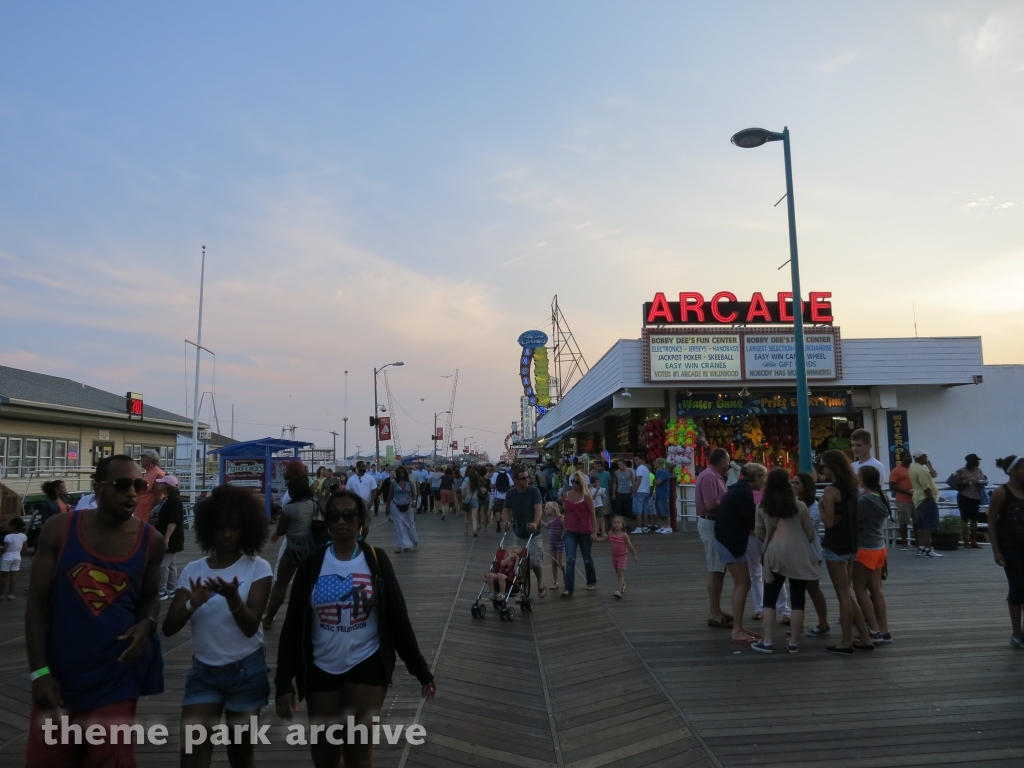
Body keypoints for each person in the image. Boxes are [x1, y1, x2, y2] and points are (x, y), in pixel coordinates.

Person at [275, 490, 436, 768]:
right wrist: (283, 682)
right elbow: (293, 625)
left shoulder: (376, 560)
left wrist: (419, 669)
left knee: (358, 752)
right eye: (334, 516)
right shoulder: (312, 564)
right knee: (324, 755)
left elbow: (397, 617)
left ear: (360, 520)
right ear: (326, 522)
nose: (341, 521)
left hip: (367, 661)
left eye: (349, 515)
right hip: (321, 665)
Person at [24, 454, 164, 767]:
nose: (132, 492)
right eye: (122, 485)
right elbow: (37, 602)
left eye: (138, 484)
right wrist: (40, 672)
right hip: (59, 677)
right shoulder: (60, 530)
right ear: (98, 489)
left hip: (116, 676)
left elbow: (151, 595)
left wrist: (148, 622)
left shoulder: (151, 541)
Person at [162, 485, 273, 768]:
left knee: (240, 756)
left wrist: (233, 596)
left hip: (247, 671)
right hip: (203, 672)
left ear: (245, 529)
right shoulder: (193, 570)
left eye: (234, 528)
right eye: (220, 528)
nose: (226, 534)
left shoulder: (258, 568)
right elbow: (168, 628)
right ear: (207, 528)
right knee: (192, 757)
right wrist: (192, 603)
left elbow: (251, 627)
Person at [750, 468, 818, 654]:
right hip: (799, 557)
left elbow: (760, 534)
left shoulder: (762, 507)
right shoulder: (801, 507)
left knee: (769, 599)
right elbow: (810, 535)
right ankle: (794, 643)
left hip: (774, 557)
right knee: (798, 600)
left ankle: (768, 641)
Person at [818, 449, 874, 655]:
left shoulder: (831, 491)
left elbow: (829, 522)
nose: (821, 469)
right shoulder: (852, 487)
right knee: (848, 595)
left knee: (842, 595)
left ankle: (846, 641)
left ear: (831, 467)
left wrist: (821, 507)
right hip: (851, 545)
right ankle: (865, 637)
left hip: (835, 546)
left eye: (823, 465)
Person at [714, 462, 766, 644]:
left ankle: (739, 625)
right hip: (731, 543)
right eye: (763, 477)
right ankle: (736, 630)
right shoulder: (744, 493)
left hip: (725, 540)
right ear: (757, 478)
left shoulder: (737, 489)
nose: (764, 481)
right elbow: (753, 522)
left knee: (740, 584)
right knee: (743, 584)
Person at [262, 476, 319, 630]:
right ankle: (312, 617)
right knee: (310, 584)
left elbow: (280, 530)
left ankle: (268, 618)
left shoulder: (288, 508)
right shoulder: (313, 504)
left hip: (293, 546)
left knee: (281, 584)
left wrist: (279, 531)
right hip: (309, 546)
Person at [854, 466, 892, 644]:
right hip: (879, 547)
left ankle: (874, 631)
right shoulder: (882, 498)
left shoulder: (864, 501)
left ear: (862, 479)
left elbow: (852, 521)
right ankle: (884, 630)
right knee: (876, 590)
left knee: (859, 589)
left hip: (864, 548)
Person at [989, 455, 1024, 648]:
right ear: (1011, 471)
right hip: (1010, 547)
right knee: (1018, 587)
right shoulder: (1001, 493)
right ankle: (1016, 632)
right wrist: (996, 550)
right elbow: (992, 521)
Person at [696, 449, 733, 628]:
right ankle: (713, 613)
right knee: (715, 569)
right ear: (723, 462)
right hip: (710, 524)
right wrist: (730, 503)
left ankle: (717, 610)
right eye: (728, 461)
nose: (729, 464)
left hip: (714, 524)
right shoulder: (711, 476)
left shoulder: (713, 475)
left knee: (719, 569)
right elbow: (711, 505)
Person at [791, 472, 831, 637]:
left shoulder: (812, 506)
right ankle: (798, 624)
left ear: (805, 486)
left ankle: (823, 624)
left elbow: (807, 527)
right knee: (799, 588)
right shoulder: (795, 503)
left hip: (810, 552)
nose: (793, 486)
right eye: (792, 483)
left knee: (812, 587)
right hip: (796, 551)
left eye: (796, 483)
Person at [500, 467, 547, 598]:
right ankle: (524, 591)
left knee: (536, 562)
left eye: (528, 477)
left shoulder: (534, 491)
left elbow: (538, 509)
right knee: (522, 564)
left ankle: (540, 583)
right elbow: (505, 510)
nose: (527, 480)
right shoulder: (511, 493)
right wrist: (507, 521)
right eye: (523, 478)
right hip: (519, 532)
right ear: (515, 480)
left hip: (533, 533)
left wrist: (535, 523)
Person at [560, 471, 599, 597]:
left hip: (585, 531)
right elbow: (566, 513)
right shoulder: (566, 495)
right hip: (570, 530)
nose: (574, 484)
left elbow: (593, 515)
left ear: (582, 483)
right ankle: (569, 588)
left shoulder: (587, 496)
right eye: (572, 482)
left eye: (577, 482)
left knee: (587, 558)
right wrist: (564, 529)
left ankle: (591, 581)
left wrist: (594, 531)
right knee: (570, 559)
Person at [152, 475, 185, 600]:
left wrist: (166, 538)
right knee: (171, 564)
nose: (159, 484)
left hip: (172, 538)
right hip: (169, 537)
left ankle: (162, 590)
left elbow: (173, 521)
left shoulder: (174, 500)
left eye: (162, 483)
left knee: (163, 565)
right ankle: (172, 588)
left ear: (167, 486)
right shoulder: (168, 499)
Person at [949, 453, 988, 549]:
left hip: (976, 497)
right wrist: (971, 482)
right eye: (977, 461)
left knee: (974, 520)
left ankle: (973, 541)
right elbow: (957, 481)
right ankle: (966, 541)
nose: (978, 462)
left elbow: (983, 479)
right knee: (965, 519)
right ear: (972, 462)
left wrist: (983, 482)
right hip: (964, 496)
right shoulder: (962, 471)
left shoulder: (978, 470)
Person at [595, 515, 638, 598]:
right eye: (614, 523)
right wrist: (596, 539)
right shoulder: (611, 533)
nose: (616, 524)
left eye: (618, 522)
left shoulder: (624, 535)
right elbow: (604, 539)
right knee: (618, 573)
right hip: (614, 556)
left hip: (623, 556)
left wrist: (634, 555)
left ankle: (618, 591)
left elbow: (629, 545)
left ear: (622, 525)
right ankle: (623, 584)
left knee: (619, 573)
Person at [910, 450, 942, 558]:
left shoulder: (913, 467)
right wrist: (931, 499)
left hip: (918, 499)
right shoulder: (921, 470)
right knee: (928, 526)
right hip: (925, 500)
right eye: (925, 456)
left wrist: (930, 468)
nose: (926, 458)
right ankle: (928, 549)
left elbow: (932, 474)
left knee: (921, 525)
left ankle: (921, 548)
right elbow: (926, 487)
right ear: (920, 457)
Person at [387, 465, 420, 554]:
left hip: (408, 506)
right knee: (399, 527)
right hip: (395, 505)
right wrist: (387, 508)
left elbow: (413, 494)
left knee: (409, 525)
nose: (401, 474)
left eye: (402, 472)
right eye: (399, 472)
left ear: (405, 473)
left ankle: (409, 543)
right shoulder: (393, 484)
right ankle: (399, 545)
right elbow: (390, 495)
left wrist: (414, 502)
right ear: (397, 474)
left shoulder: (410, 483)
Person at [888, 452, 915, 550]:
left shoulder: (913, 470)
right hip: (903, 500)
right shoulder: (896, 471)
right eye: (908, 456)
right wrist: (906, 491)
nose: (910, 458)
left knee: (917, 521)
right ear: (902, 458)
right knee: (903, 522)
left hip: (916, 500)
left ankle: (917, 543)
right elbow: (892, 485)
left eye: (911, 456)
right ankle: (904, 543)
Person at [133, 448, 166, 522]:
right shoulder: (149, 472)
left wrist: (152, 515)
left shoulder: (158, 474)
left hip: (147, 518)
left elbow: (158, 497)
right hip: (140, 516)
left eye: (143, 457)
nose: (141, 460)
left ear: (149, 459)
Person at [540, 501, 565, 590]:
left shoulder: (560, 518)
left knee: (559, 562)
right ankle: (555, 581)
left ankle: (565, 574)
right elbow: (549, 527)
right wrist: (540, 521)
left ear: (553, 509)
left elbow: (565, 528)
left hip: (560, 542)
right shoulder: (550, 519)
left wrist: (563, 535)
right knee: (553, 563)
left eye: (547, 508)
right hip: (552, 543)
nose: (545, 510)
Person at [1, 517, 27, 600]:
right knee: (12, 577)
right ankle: (11, 594)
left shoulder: (8, 537)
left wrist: (1, 550)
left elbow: (5, 549)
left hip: (7, 558)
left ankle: (1, 595)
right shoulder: (23, 536)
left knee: (3, 577)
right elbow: (25, 548)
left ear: (12, 526)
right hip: (17, 558)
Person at [631, 456, 652, 534]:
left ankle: (639, 527)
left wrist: (634, 490)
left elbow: (638, 480)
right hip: (646, 491)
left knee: (638, 511)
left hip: (640, 491)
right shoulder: (646, 469)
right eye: (635, 459)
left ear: (642, 460)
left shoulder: (639, 468)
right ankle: (645, 527)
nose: (636, 461)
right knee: (644, 511)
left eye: (637, 459)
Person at [652, 458, 672, 534]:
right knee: (660, 511)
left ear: (659, 463)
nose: (654, 463)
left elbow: (658, 482)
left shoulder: (664, 472)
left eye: (655, 462)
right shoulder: (657, 472)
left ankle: (668, 527)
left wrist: (655, 481)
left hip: (664, 494)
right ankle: (663, 526)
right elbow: (655, 481)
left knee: (665, 511)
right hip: (658, 494)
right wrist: (655, 481)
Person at [491, 464, 513, 531]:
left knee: (497, 510)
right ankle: (506, 525)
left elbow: (492, 485)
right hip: (506, 496)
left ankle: (498, 526)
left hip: (497, 495)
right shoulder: (508, 475)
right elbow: (511, 485)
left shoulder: (495, 474)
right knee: (506, 511)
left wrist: (496, 488)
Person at [611, 459, 634, 523]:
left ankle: (627, 524)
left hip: (627, 493)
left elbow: (633, 482)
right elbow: (615, 483)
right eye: (618, 464)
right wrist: (614, 494)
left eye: (620, 464)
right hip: (619, 492)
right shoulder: (616, 472)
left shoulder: (629, 472)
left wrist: (633, 492)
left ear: (624, 464)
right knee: (618, 510)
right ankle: (620, 523)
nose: (619, 465)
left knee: (627, 510)